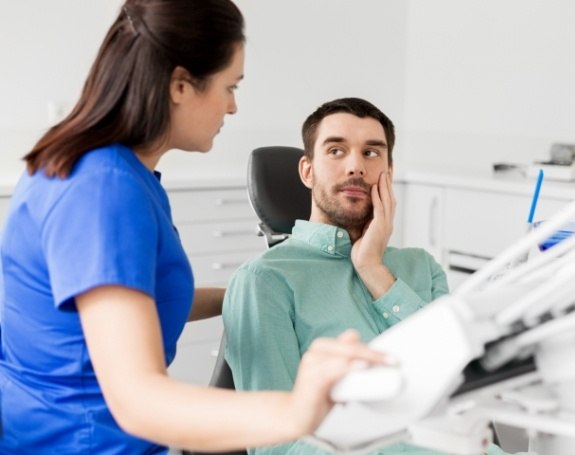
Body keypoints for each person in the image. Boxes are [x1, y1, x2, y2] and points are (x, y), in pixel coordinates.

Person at [0, 4, 389, 453]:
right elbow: (139, 401)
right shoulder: (104, 190)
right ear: (181, 85)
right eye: (230, 86)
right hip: (80, 442)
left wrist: (260, 289)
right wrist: (296, 409)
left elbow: (132, 303)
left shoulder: (108, 170)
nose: (233, 105)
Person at [222, 98, 512, 455]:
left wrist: (375, 270)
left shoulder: (421, 267)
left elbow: (459, 386)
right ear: (307, 170)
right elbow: (275, 447)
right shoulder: (264, 281)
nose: (356, 166)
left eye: (372, 153)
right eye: (336, 150)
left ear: (389, 170)